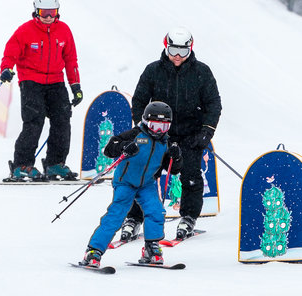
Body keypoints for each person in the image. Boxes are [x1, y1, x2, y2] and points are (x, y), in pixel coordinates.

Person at [118, 26, 222, 242]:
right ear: (166, 47)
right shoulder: (153, 70)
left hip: (190, 134)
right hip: (157, 134)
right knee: (143, 174)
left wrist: (206, 132)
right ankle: (134, 218)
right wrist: (142, 126)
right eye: (173, 50)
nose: (177, 56)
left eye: (182, 52)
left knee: (191, 176)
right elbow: (139, 100)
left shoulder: (202, 72)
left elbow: (213, 104)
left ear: (190, 50)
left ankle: (189, 217)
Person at [79, 102, 182, 267]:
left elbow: (174, 170)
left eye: (164, 126)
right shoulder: (135, 134)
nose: (159, 131)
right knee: (116, 214)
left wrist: (176, 157)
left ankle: (152, 248)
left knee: (156, 211)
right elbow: (109, 149)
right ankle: (94, 251)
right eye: (155, 126)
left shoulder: (167, 143)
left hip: (147, 184)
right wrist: (123, 146)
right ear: (146, 122)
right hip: (125, 182)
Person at [0, 0, 83, 182]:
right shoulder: (25, 30)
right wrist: (6, 68)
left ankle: (55, 164)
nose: (48, 17)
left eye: (52, 12)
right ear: (36, 11)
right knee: (34, 121)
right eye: (44, 12)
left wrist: (75, 86)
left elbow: (71, 60)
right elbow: (10, 52)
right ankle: (22, 165)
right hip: (31, 81)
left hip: (56, 80)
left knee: (62, 120)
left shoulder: (64, 31)